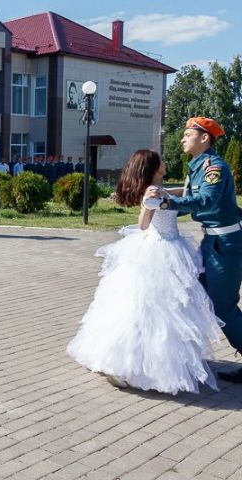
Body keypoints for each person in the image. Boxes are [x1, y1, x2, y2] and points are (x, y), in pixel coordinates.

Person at [68, 149, 222, 394]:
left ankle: (148, 360)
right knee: (149, 309)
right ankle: (123, 363)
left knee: (165, 309)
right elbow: (143, 223)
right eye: (161, 160)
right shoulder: (152, 190)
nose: (164, 161)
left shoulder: (159, 188)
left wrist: (188, 191)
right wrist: (150, 203)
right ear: (153, 167)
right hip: (160, 249)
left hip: (170, 246)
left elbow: (179, 195)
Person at [145, 117, 242, 384]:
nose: (182, 139)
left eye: (188, 134)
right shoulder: (197, 166)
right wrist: (162, 192)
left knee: (223, 306)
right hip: (212, 242)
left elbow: (206, 202)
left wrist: (166, 203)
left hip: (226, 244)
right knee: (194, 295)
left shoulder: (214, 167)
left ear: (204, 138)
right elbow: (190, 192)